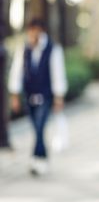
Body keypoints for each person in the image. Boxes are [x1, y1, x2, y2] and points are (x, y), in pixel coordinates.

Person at [8, 18, 68, 176]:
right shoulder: (24, 49)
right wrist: (14, 94)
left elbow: (57, 73)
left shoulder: (52, 49)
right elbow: (17, 72)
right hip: (29, 95)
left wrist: (58, 96)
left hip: (46, 95)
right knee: (36, 129)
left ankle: (36, 159)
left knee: (40, 127)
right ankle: (42, 157)